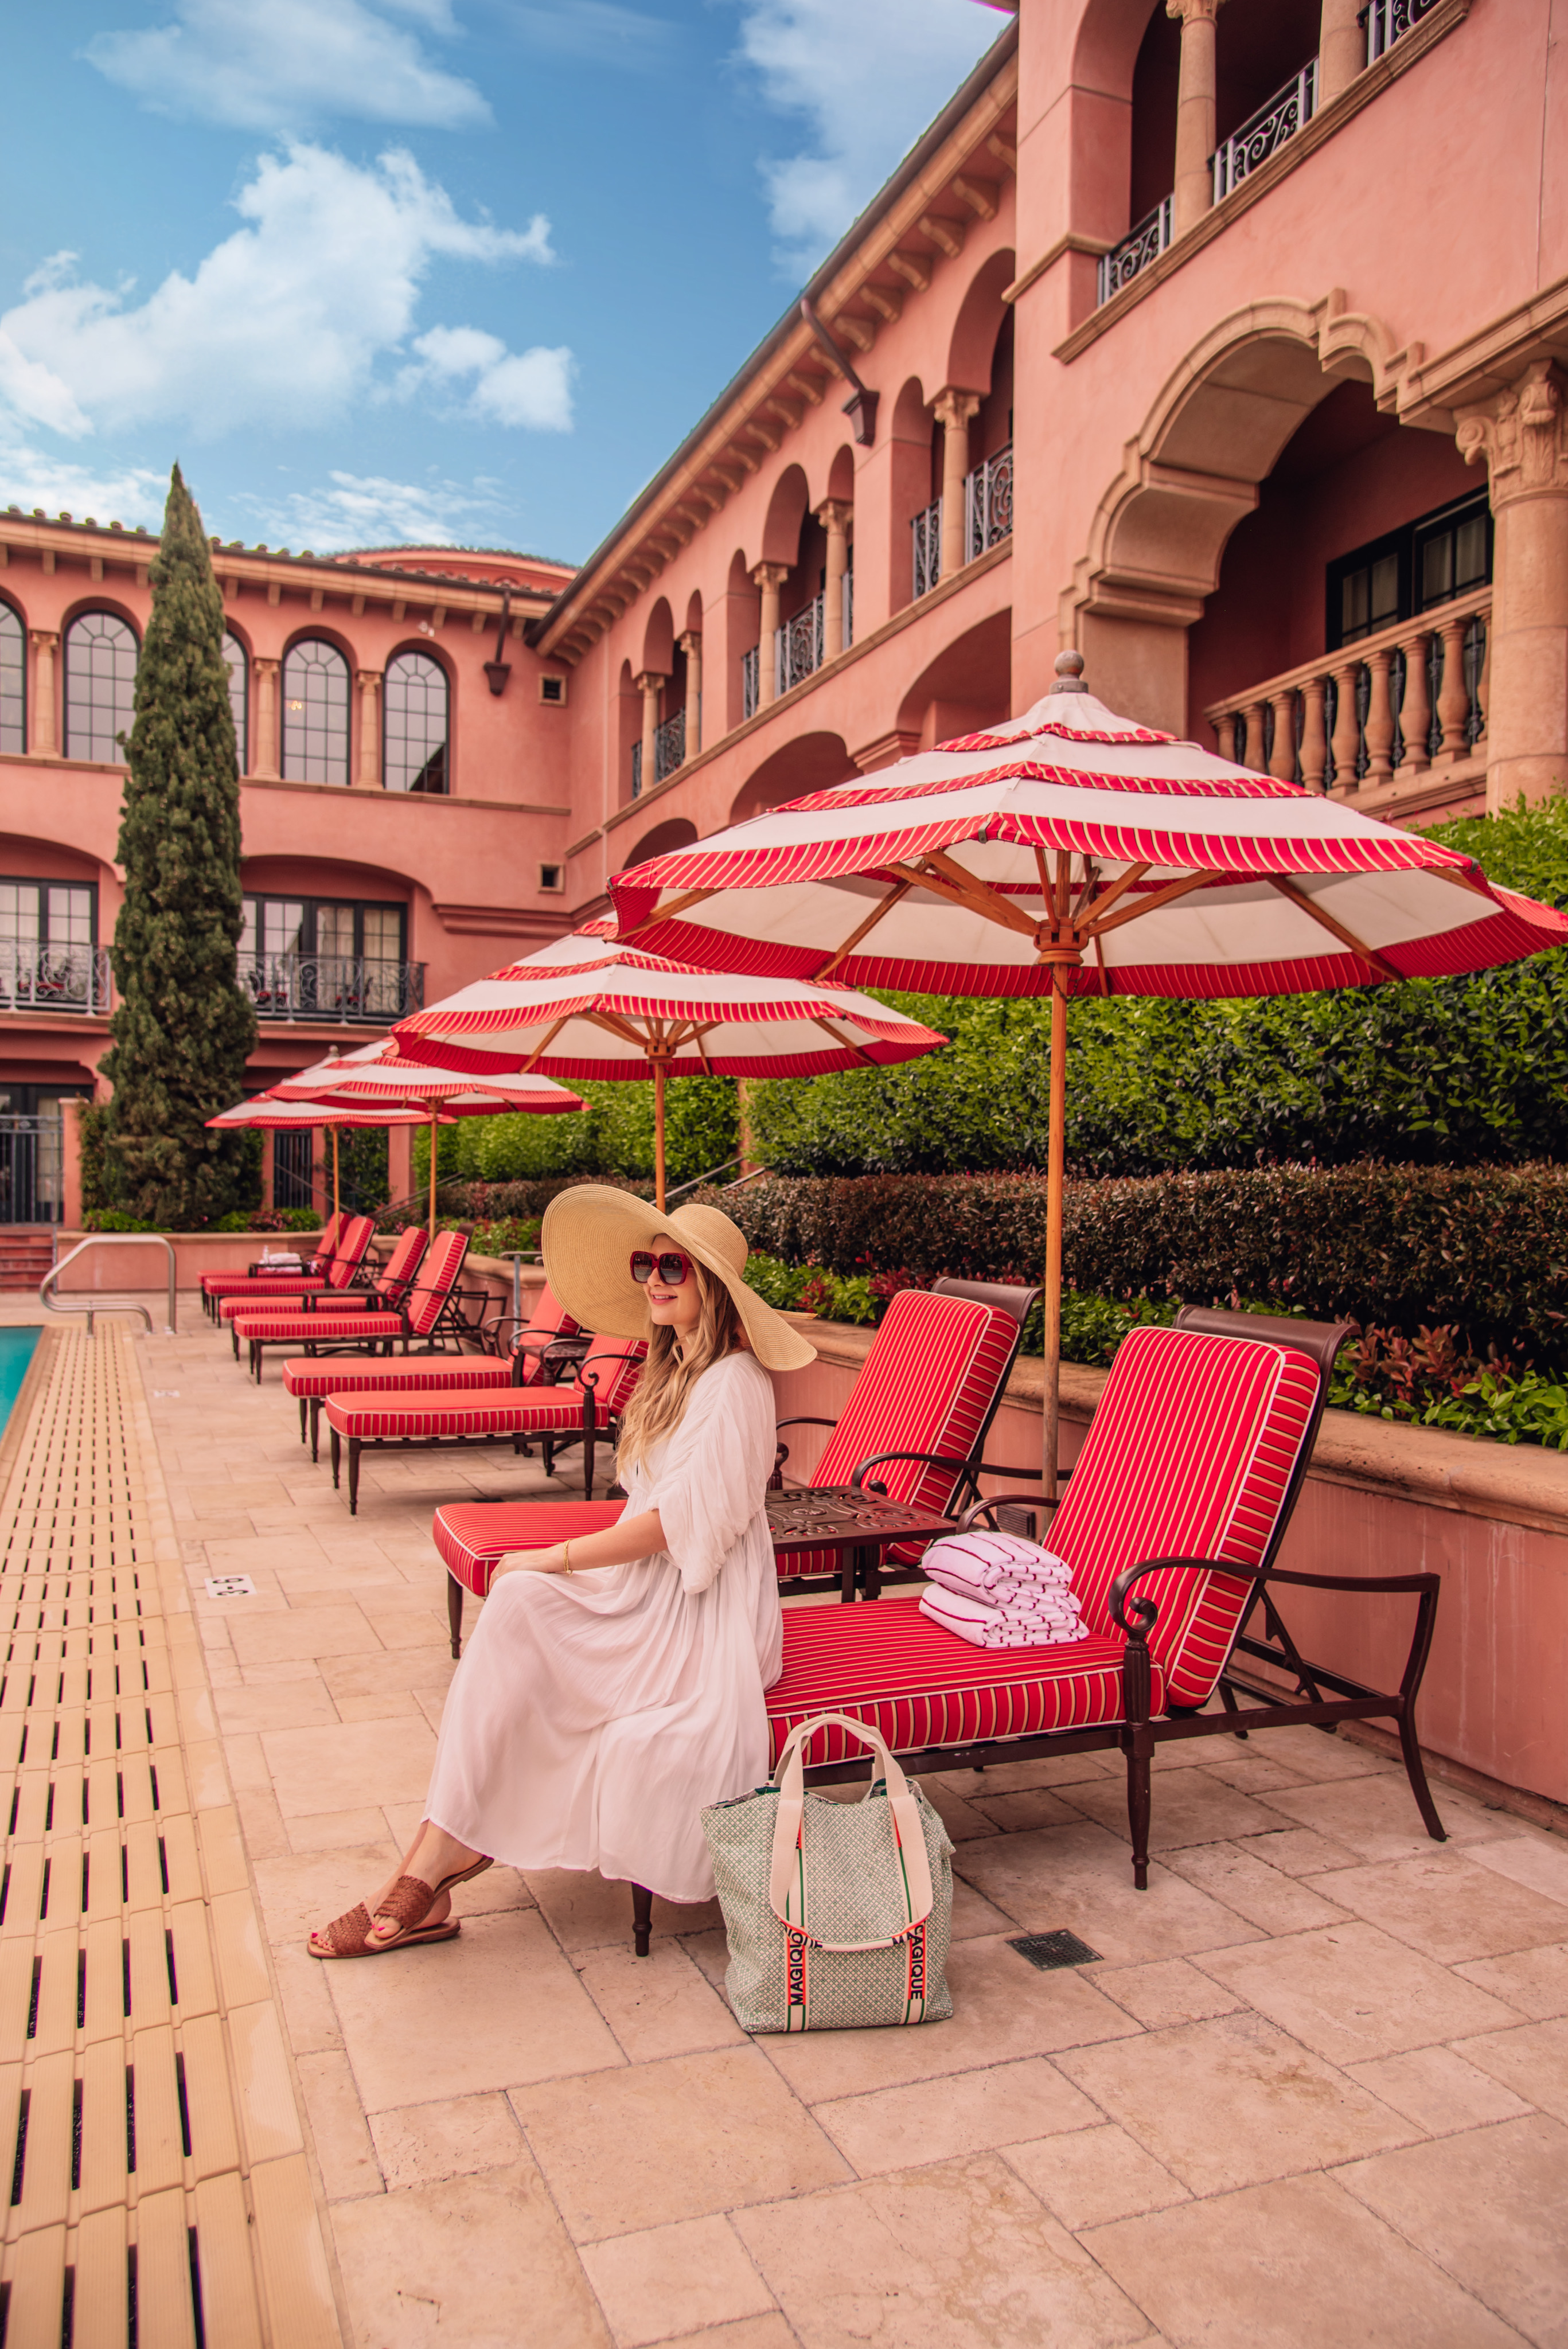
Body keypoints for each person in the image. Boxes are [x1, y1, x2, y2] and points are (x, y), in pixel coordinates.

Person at [309, 1187, 816, 1958]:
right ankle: (437, 1851)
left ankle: (431, 1867)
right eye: (645, 1263)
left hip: (704, 1612)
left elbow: (673, 1529)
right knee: (519, 1605)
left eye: (671, 1266)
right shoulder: (674, 1372)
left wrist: (554, 1557)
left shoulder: (734, 1385)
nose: (653, 1280)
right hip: (655, 1592)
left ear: (711, 1284)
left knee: (524, 1589)